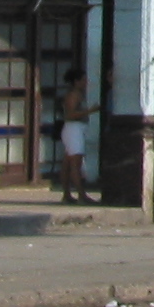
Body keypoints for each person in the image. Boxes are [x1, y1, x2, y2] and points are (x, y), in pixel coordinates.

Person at [56, 67, 94, 204]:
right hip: (74, 130)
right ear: (76, 81)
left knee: (67, 163)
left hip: (75, 130)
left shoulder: (79, 94)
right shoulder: (74, 95)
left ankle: (67, 194)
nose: (86, 82)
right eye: (83, 79)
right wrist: (90, 111)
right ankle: (81, 195)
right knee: (75, 164)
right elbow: (70, 115)